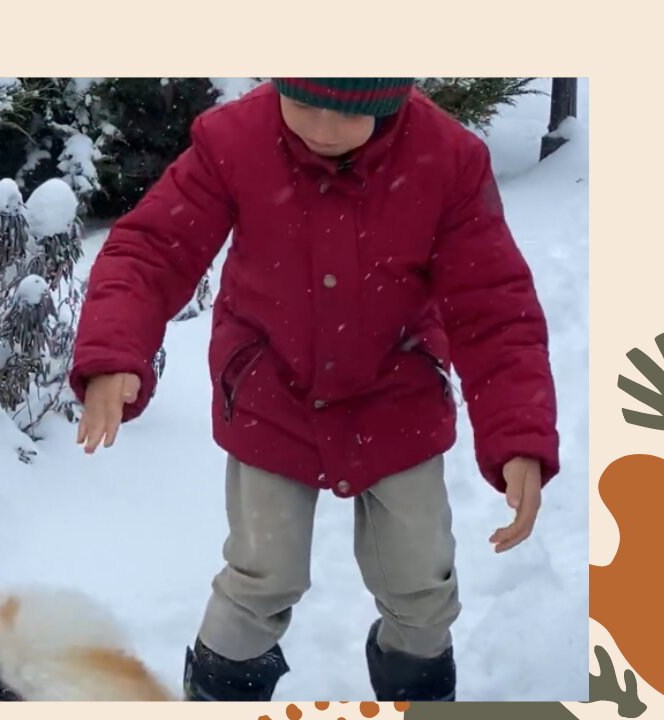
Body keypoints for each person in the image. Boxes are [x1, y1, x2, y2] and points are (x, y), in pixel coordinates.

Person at [67, 78, 560, 702]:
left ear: (390, 96)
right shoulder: (234, 141)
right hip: (271, 393)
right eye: (303, 104)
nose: (322, 129)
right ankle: (219, 693)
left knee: (422, 588)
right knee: (259, 576)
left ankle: (418, 689)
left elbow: (494, 307)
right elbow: (151, 248)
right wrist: (114, 351)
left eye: (347, 112)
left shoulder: (447, 159)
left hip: (396, 395)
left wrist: (518, 433)